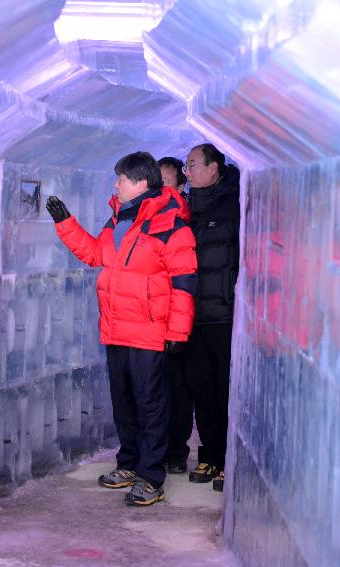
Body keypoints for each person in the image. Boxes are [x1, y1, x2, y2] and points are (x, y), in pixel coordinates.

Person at [45, 151, 197, 506]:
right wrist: (65, 223)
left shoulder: (171, 223)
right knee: (124, 403)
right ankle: (128, 463)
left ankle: (151, 476)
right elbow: (95, 255)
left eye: (122, 179)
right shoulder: (120, 220)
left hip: (148, 331)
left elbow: (185, 281)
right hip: (116, 329)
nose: (116, 184)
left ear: (142, 183)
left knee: (151, 406)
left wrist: (177, 331)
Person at [182, 143, 240, 492]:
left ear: (214, 167)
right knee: (200, 388)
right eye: (186, 167)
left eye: (193, 165)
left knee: (223, 389)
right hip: (193, 314)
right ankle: (210, 455)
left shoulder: (234, 204)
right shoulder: (188, 207)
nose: (188, 172)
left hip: (224, 315)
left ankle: (228, 459)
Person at [157, 156, 193, 474]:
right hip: (151, 318)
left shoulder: (182, 220)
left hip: (178, 318)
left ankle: (175, 451)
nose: (161, 189)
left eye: (166, 182)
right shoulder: (144, 218)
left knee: (178, 387)